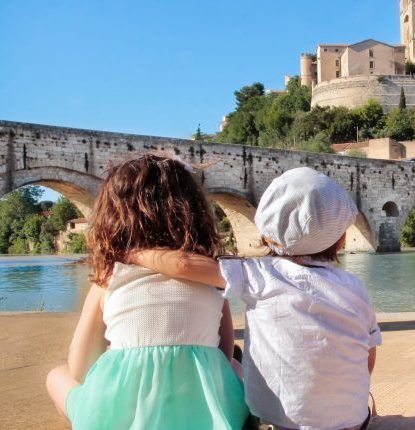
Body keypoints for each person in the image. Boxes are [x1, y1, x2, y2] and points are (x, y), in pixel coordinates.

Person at [132, 167, 381, 430]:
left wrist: (133, 253)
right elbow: (368, 354)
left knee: (235, 363)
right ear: (341, 240)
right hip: (351, 421)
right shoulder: (355, 286)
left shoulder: (258, 274)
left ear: (266, 232)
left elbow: (183, 265)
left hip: (280, 421)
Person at [45, 154, 250, 429]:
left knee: (57, 376)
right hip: (206, 415)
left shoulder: (109, 279)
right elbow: (223, 358)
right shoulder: (210, 280)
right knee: (237, 367)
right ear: (195, 213)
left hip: (120, 419)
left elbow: (80, 367)